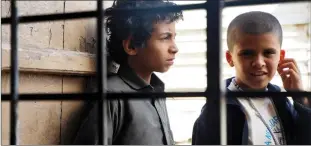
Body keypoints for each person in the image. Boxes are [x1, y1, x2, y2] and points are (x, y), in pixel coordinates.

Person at [192, 11, 311, 145]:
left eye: (268, 53)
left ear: (280, 57)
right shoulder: (216, 112)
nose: (259, 62)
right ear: (230, 58)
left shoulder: (281, 101)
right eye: (247, 54)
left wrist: (300, 97)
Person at [73, 0, 183, 145]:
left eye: (174, 37)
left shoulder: (157, 92)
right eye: (165, 38)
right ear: (131, 45)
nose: (175, 48)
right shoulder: (111, 96)